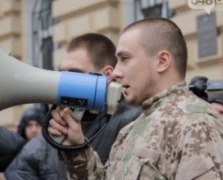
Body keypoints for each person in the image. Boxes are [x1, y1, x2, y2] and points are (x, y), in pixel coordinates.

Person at [49, 18, 223, 179]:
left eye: (125, 59)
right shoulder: (131, 129)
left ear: (162, 61)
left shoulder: (196, 124)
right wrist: (76, 148)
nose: (116, 72)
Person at [5, 33, 142, 180]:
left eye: (75, 73)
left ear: (107, 75)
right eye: (63, 72)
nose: (65, 80)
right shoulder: (65, 125)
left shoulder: (133, 121)